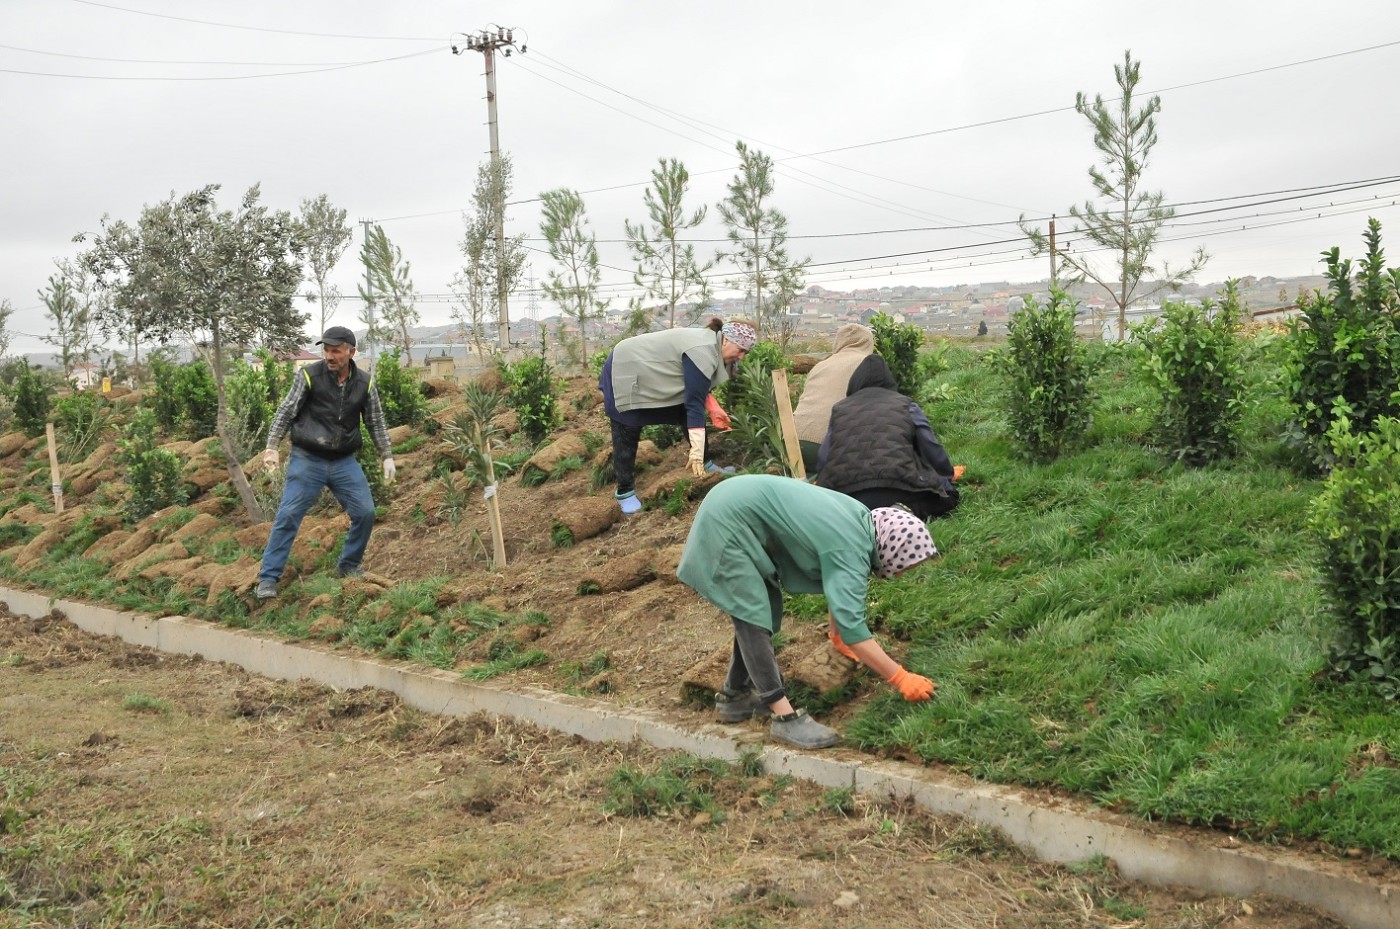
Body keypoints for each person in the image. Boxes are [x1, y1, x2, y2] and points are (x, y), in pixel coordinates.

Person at [676, 474, 939, 750]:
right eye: (905, 566)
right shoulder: (850, 548)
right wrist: (900, 677)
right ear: (894, 549)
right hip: (727, 521)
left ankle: (735, 696)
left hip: (731, 503)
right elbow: (854, 626)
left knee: (764, 611)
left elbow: (837, 585)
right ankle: (784, 717)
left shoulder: (860, 521)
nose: (900, 574)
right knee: (752, 615)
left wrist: (836, 634)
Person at [255, 326, 396, 599]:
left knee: (365, 512)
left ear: (351, 352)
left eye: (336, 350)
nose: (329, 356)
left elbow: (375, 421)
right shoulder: (308, 376)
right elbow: (286, 411)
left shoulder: (365, 383)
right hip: (308, 459)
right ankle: (268, 579)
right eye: (326, 350)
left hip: (344, 461)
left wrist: (386, 455)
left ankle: (349, 565)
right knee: (288, 515)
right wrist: (272, 447)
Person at [599, 318, 757, 515]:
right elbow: (694, 403)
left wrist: (712, 406)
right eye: (740, 350)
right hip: (625, 367)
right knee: (627, 426)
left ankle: (706, 463)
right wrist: (695, 453)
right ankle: (624, 491)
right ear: (726, 340)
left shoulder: (714, 346)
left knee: (683, 410)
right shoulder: (704, 350)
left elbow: (696, 386)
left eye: (745, 352)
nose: (741, 356)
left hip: (651, 374)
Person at [816, 354, 960, 520]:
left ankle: (857, 518)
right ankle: (907, 510)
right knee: (949, 497)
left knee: (847, 511)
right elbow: (929, 446)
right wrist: (947, 474)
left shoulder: (839, 409)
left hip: (847, 498)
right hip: (901, 489)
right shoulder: (905, 404)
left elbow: (823, 459)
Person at [792, 323, 874, 474]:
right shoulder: (867, 364)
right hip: (828, 444)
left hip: (796, 440)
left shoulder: (821, 365)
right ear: (868, 343)